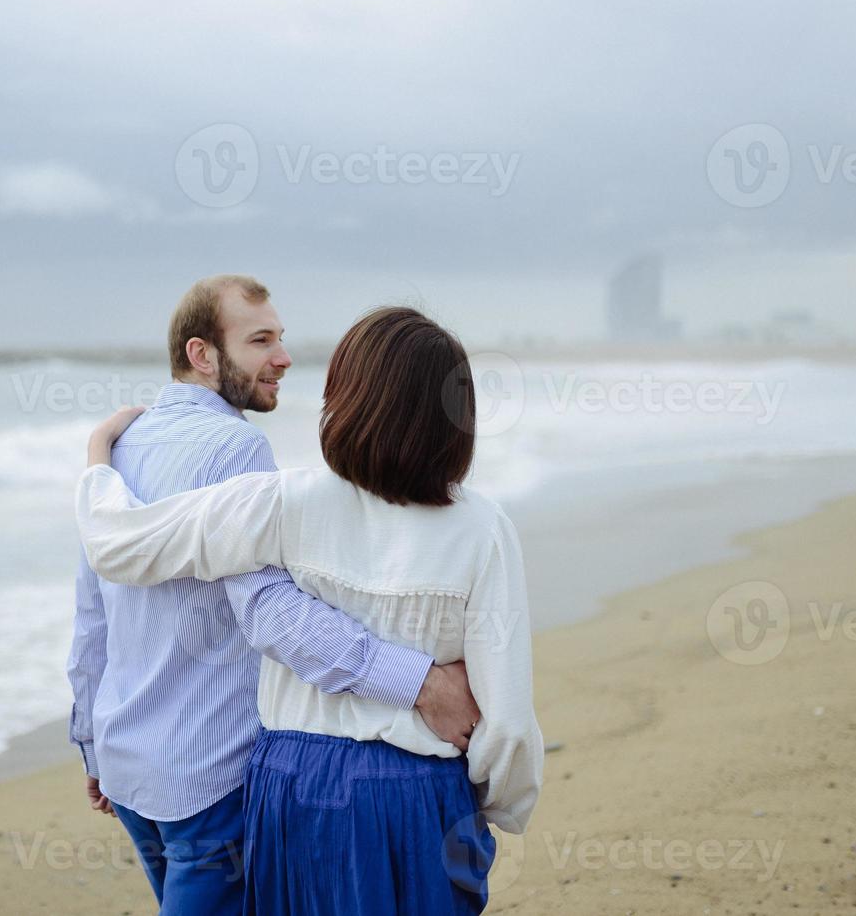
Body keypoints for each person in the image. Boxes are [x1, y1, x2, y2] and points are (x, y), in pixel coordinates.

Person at [77, 305, 544, 915]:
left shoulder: (281, 502)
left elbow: (118, 545)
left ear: (343, 399)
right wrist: (491, 806)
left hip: (292, 782)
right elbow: (506, 724)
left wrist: (97, 459)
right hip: (418, 789)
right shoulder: (482, 530)